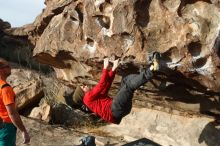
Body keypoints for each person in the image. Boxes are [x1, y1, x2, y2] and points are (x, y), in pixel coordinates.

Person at [72, 57, 160, 124]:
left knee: (125, 80)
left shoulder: (92, 99)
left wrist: (114, 68)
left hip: (118, 110)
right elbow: (101, 84)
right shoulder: (87, 97)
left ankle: (142, 74)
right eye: (83, 87)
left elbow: (106, 84)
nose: (85, 86)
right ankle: (151, 70)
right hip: (115, 109)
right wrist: (105, 67)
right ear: (82, 93)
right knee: (128, 86)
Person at [0, 58, 30, 146]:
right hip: (6, 126)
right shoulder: (5, 88)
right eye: (7, 66)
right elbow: (12, 113)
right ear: (1, 70)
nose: (10, 67)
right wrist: (23, 131)